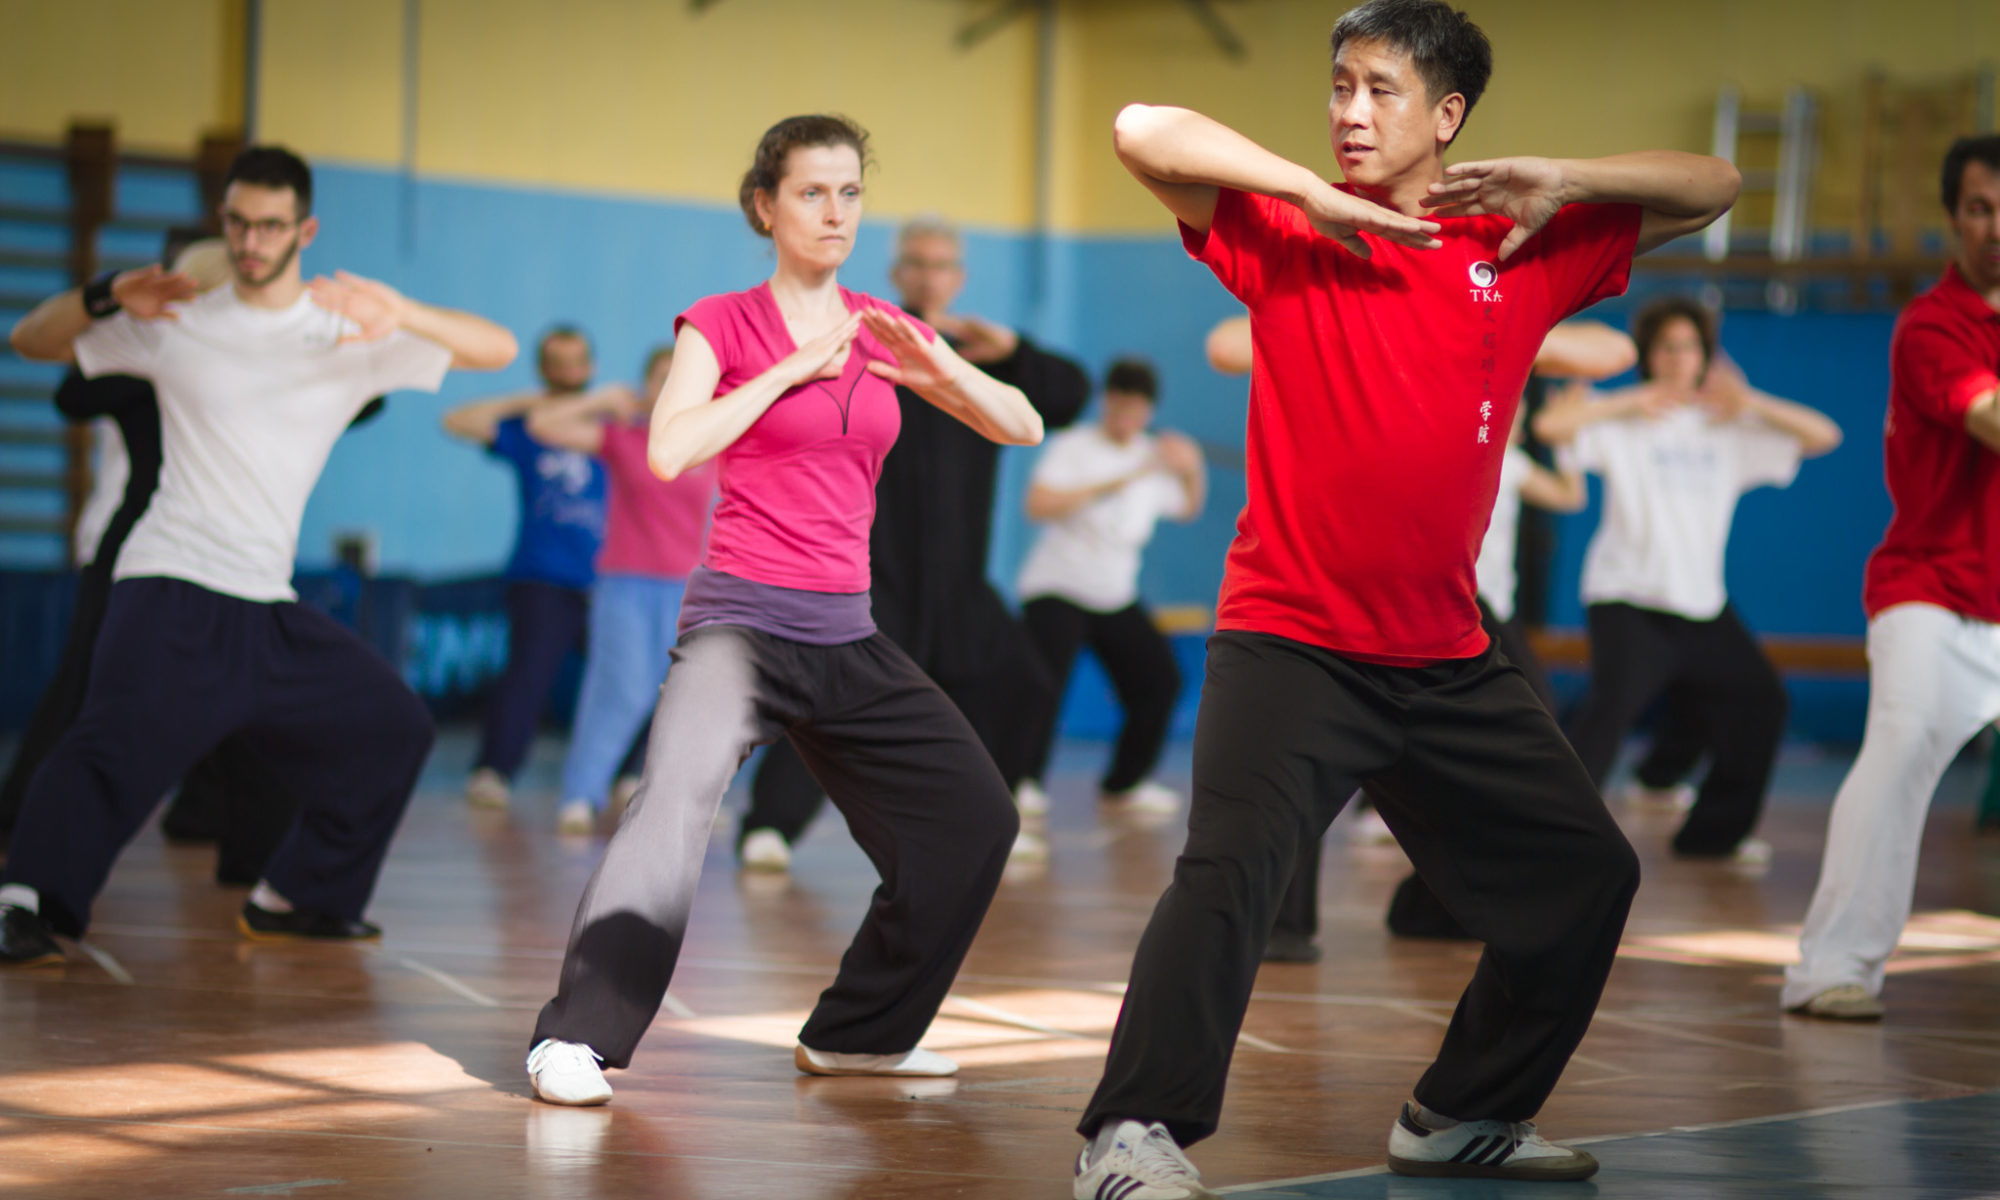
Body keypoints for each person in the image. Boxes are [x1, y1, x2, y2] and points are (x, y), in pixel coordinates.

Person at [1068, 0, 1740, 1192]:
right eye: (1338, 87)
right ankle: (1132, 1136)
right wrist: (1312, 195)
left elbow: (1715, 182)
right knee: (1229, 877)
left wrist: (1562, 176)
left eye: (1379, 90)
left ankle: (1461, 1111)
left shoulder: (1521, 248)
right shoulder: (1282, 227)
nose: (1347, 112)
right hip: (1289, 640)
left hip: (1443, 655)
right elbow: (1139, 125)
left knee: (1587, 876)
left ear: (1448, 117)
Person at [523, 115, 1042, 1107]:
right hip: (739, 625)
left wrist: (937, 369)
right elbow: (672, 449)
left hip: (845, 631)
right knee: (670, 804)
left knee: (975, 818)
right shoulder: (718, 323)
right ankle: (576, 1039)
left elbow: (1023, 423)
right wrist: (785, 374)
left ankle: (859, 1032)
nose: (834, 212)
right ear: (765, 204)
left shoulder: (883, 325)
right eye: (812, 192)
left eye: (850, 193)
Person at [0, 145, 516, 966]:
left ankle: (300, 897)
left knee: (394, 728)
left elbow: (498, 349)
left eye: (270, 225)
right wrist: (104, 296)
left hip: (263, 603)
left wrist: (403, 311)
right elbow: (31, 341)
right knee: (108, 744)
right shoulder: (179, 323)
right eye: (238, 223)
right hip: (168, 577)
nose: (250, 240)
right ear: (225, 224)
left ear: (302, 229)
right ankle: (28, 901)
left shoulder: (347, 335)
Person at [734, 214, 1089, 869]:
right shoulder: (868, 341)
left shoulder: (977, 357)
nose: (930, 276)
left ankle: (990, 820)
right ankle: (769, 828)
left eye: (943, 265)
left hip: (959, 586)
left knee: (1021, 682)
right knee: (828, 695)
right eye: (918, 264)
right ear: (899, 274)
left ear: (959, 278)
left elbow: (1069, 397)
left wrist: (1012, 349)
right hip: (879, 578)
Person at [1783, 135, 2000, 1021]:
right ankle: (1829, 968)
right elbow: (1988, 416)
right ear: (1953, 218)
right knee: (1902, 749)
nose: (1997, 227)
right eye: (1982, 208)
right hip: (1933, 598)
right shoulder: (1933, 326)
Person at [1536, 297, 1841, 861]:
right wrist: (1630, 398)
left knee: (1761, 702)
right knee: (1606, 718)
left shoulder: (1726, 426)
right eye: (1668, 347)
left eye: (1690, 347)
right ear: (1650, 355)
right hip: (1626, 598)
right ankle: (1554, 840)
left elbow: (1824, 435)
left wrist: (1748, 400)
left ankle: (1711, 837)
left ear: (1707, 356)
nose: (1679, 358)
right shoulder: (1623, 419)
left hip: (1701, 605)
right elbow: (1550, 425)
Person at [526, 346, 717, 835]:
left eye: (682, 378)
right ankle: (580, 793)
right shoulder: (624, 438)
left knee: (690, 700)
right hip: (626, 584)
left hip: (690, 590)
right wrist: (598, 399)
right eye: (661, 379)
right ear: (645, 389)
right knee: (623, 690)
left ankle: (687, 803)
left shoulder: (715, 442)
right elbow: (542, 426)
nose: (671, 387)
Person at [1013, 357, 1206, 815]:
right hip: (1057, 586)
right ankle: (1022, 783)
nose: (1125, 419)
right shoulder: (1073, 446)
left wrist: (1191, 468)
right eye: (1117, 407)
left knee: (1160, 680)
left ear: (1148, 411)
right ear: (1105, 402)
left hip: (1113, 593)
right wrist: (1125, 476)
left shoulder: (1153, 455)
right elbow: (1038, 505)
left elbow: (1186, 509)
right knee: (1042, 686)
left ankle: (1126, 781)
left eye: (1135, 410)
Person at [443, 327, 615, 811]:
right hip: (542, 576)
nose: (568, 372)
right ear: (543, 371)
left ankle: (630, 776)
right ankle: (493, 771)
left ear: (591, 366)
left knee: (633, 677)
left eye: (576, 361)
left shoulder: (611, 424)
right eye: (556, 364)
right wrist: (534, 400)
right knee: (527, 675)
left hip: (610, 579)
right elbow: (457, 421)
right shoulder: (527, 426)